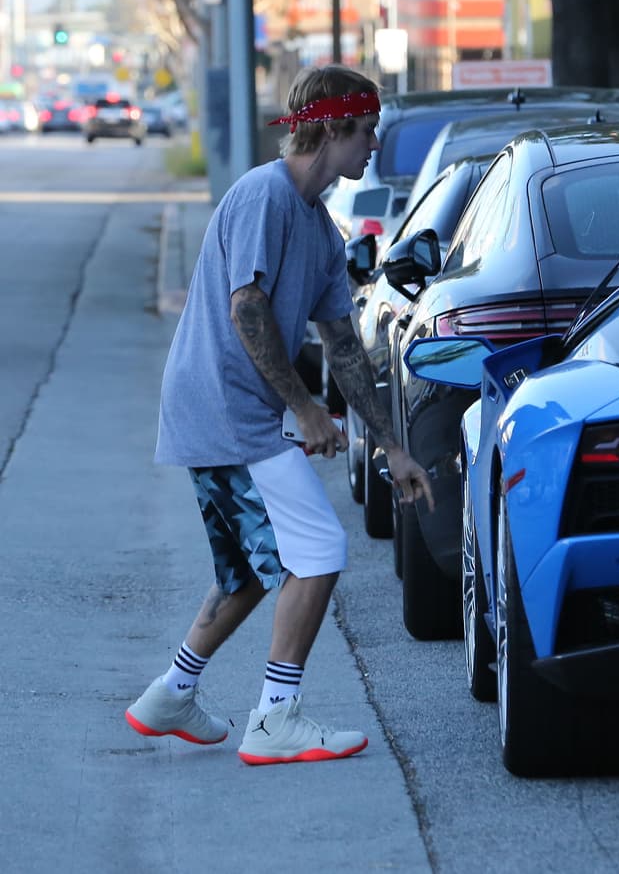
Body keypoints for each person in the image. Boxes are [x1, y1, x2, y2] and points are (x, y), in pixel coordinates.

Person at [125, 64, 432, 765]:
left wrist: (392, 446)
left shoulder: (321, 232)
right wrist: (306, 409)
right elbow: (247, 307)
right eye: (367, 131)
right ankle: (275, 717)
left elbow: (346, 348)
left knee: (250, 572)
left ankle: (170, 693)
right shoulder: (265, 196)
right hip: (226, 410)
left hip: (230, 412)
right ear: (331, 128)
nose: (375, 144)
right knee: (318, 550)